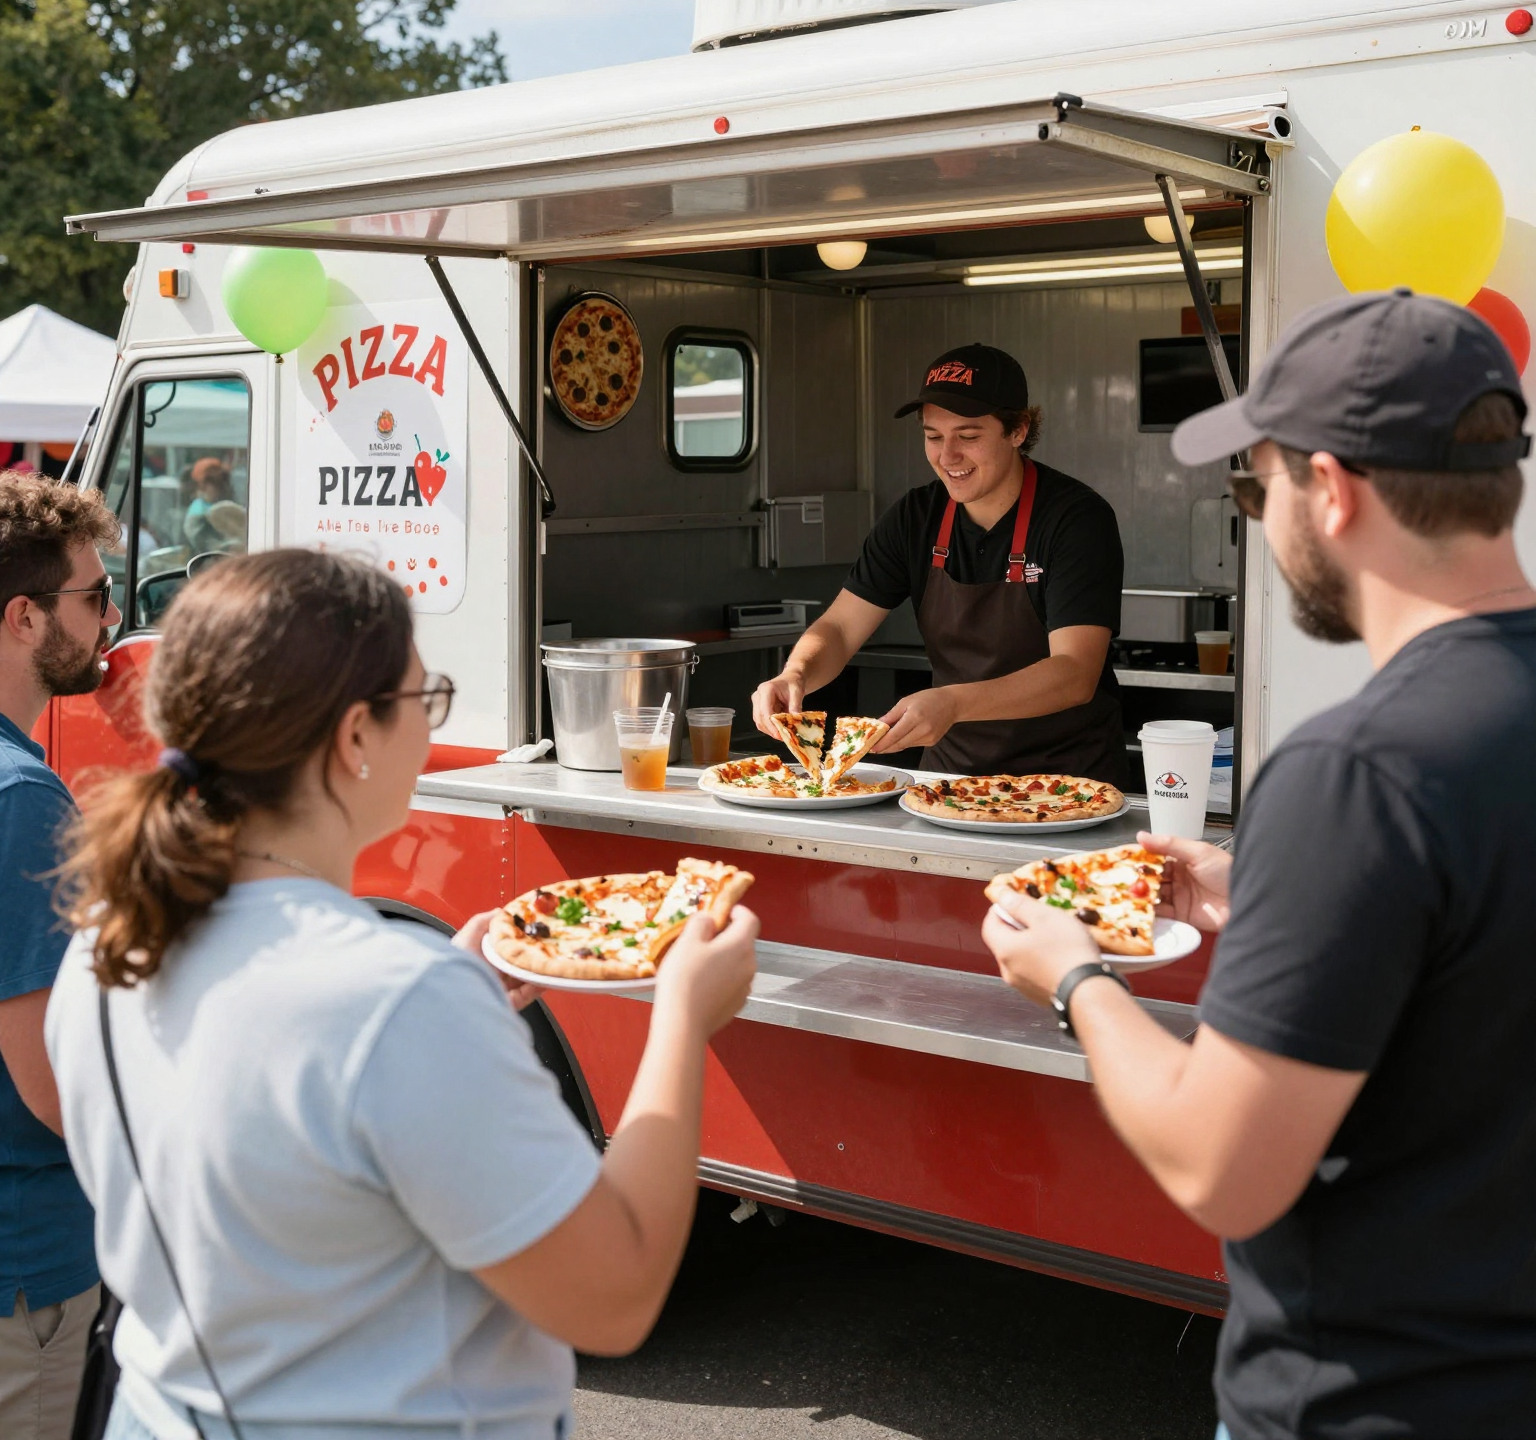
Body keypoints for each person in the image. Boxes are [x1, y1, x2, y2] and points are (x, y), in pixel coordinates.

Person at [981, 290, 1536, 1440]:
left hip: (1380, 1403)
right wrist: (1280, 896)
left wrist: (1077, 979)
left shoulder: (1357, 774)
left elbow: (1219, 1170)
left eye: (1256, 485)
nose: (1258, 517)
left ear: (1329, 492)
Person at [45, 548, 758, 1440]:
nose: (429, 727)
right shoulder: (397, 1003)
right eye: (424, 700)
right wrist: (683, 1016)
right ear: (353, 740)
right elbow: (615, 1296)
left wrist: (447, 1007)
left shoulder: (104, 943)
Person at [752, 343, 1126, 781]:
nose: (947, 457)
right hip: (950, 782)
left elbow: (1074, 673)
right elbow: (839, 627)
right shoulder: (915, 517)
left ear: (1019, 430)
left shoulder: (1075, 519)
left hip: (1067, 785)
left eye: (968, 437)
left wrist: (952, 703)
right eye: (933, 436)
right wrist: (795, 673)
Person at [0, 472, 118, 1440]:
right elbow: (49, 1085)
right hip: (24, 1272)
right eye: (94, 594)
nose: (114, 615)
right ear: (24, 619)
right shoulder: (25, 800)